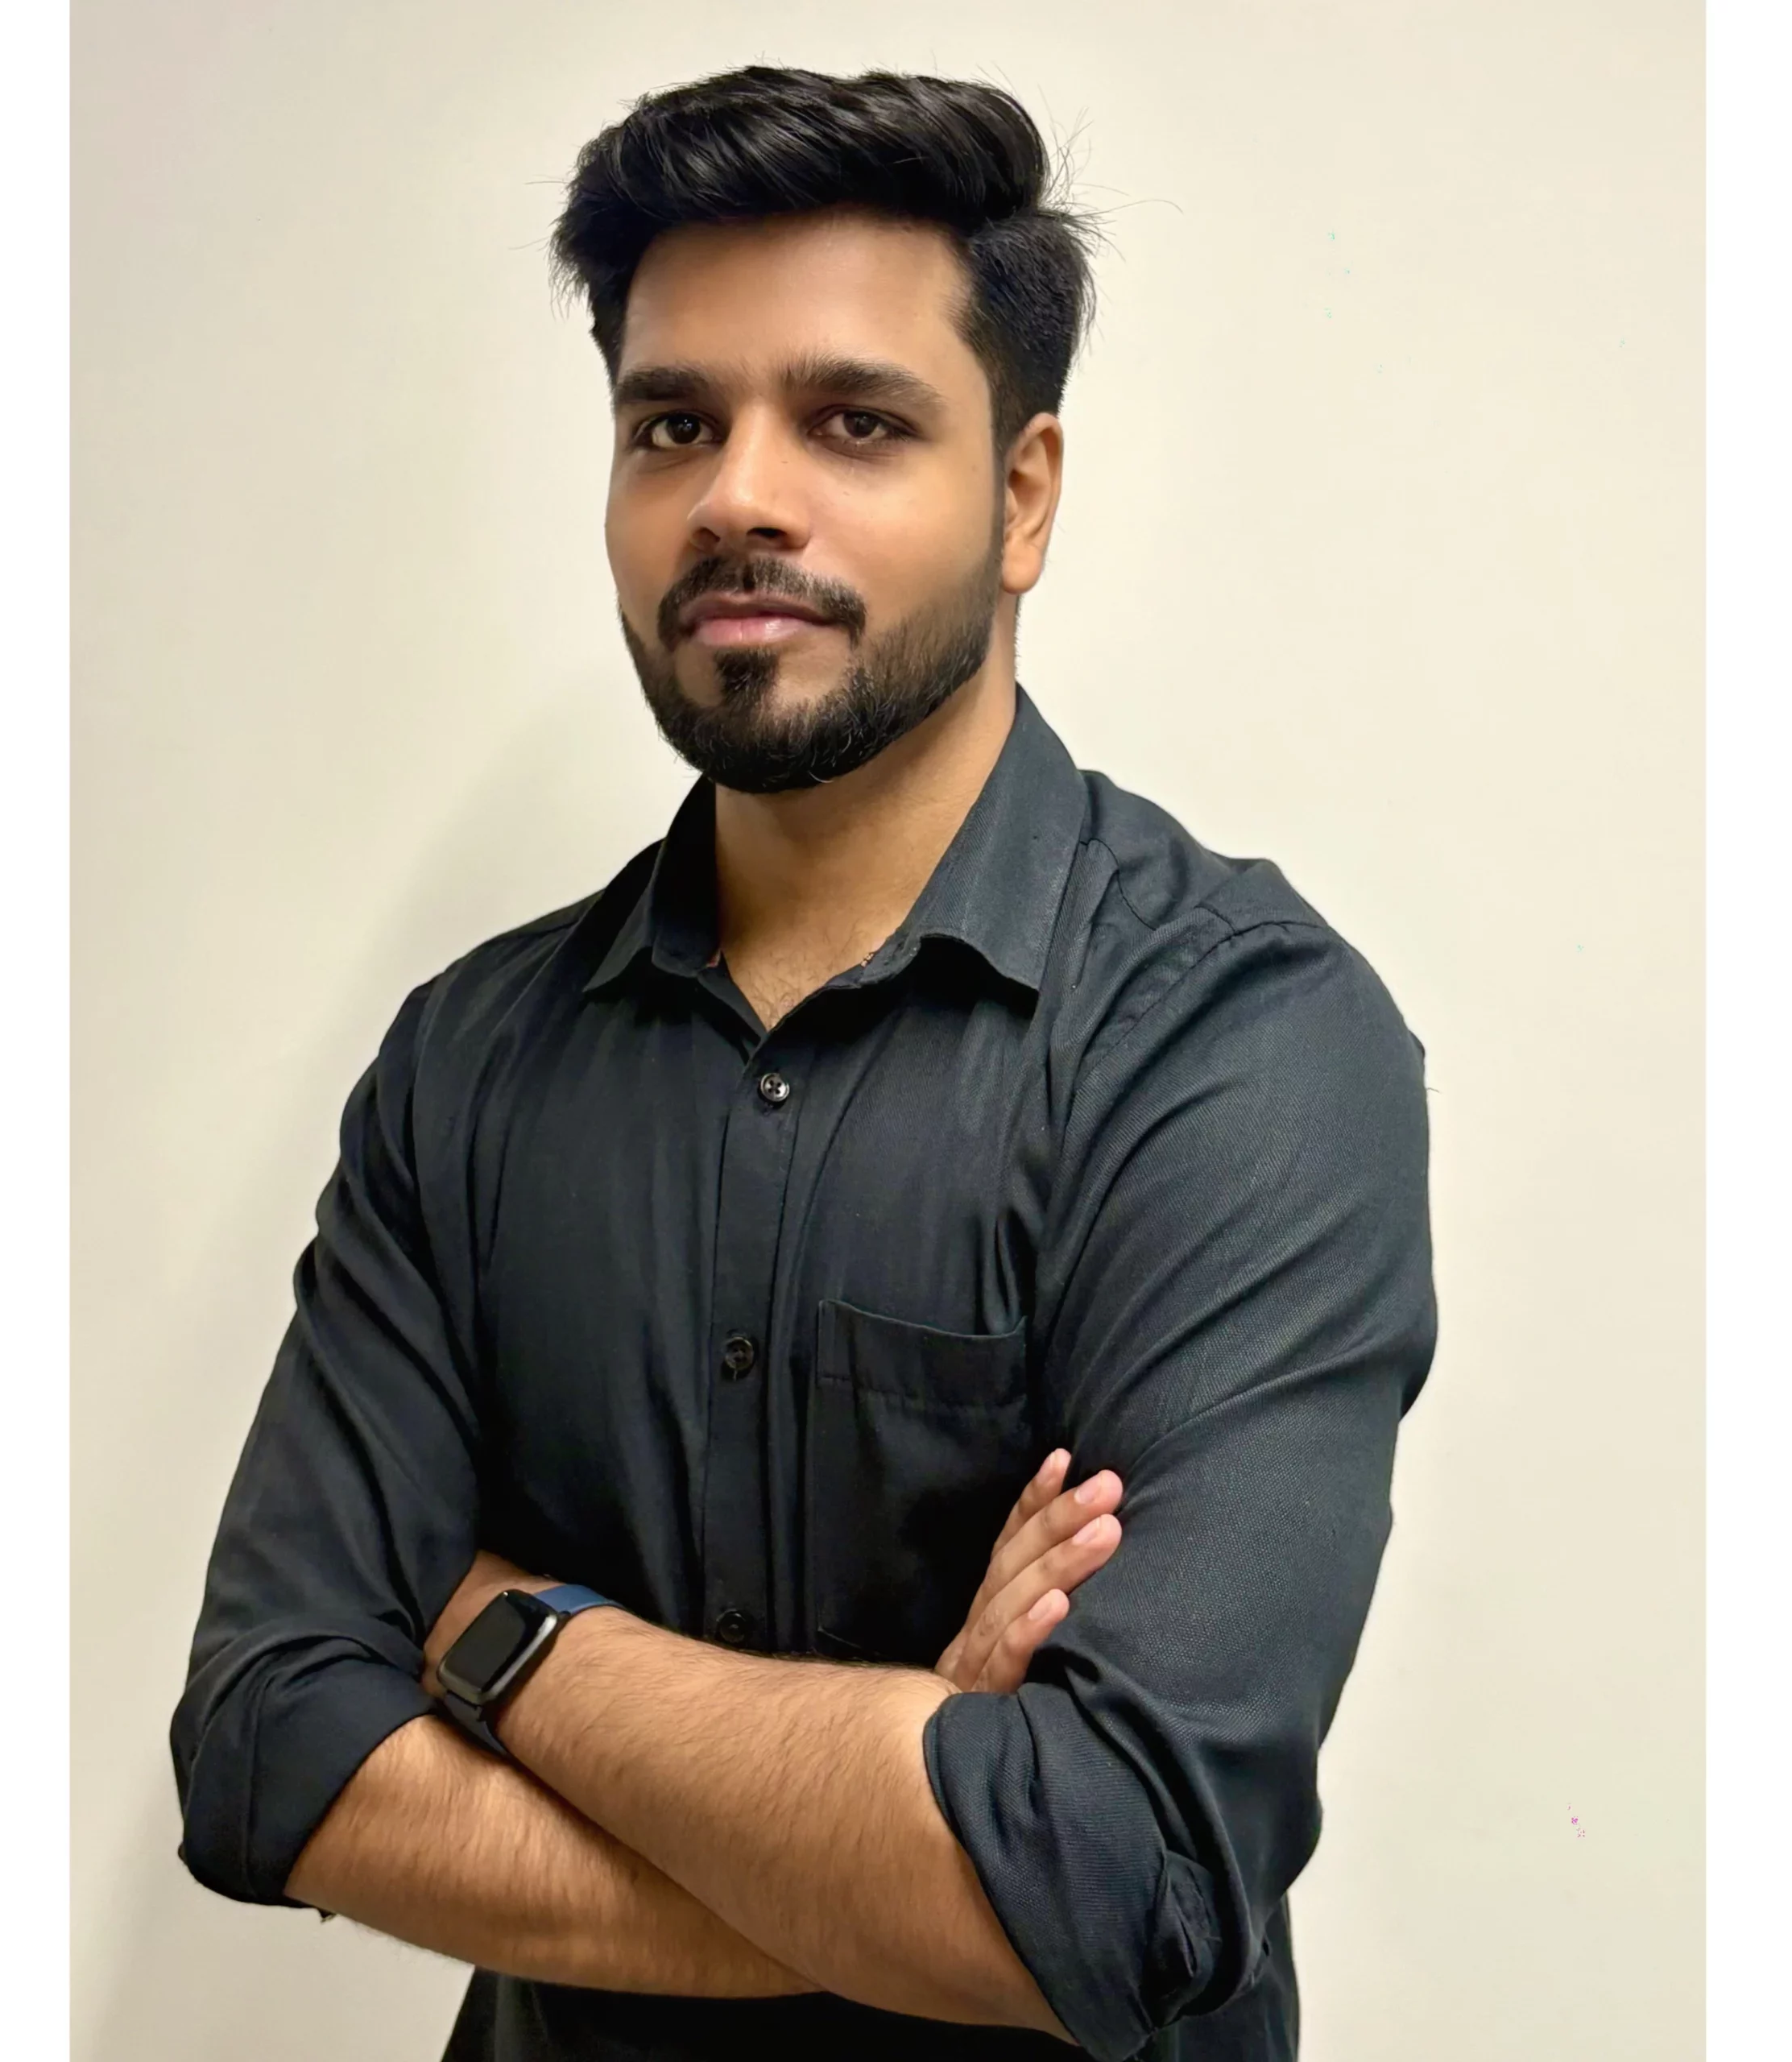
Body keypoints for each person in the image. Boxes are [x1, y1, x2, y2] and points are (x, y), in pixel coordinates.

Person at [170, 64, 1437, 2062]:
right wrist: (908, 1809)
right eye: (672, 422)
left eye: (853, 421)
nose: (737, 496)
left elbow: (1118, 1880)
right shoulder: (469, 1063)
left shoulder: (1232, 1040)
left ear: (1021, 495)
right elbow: (266, 1746)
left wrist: (503, 1629)